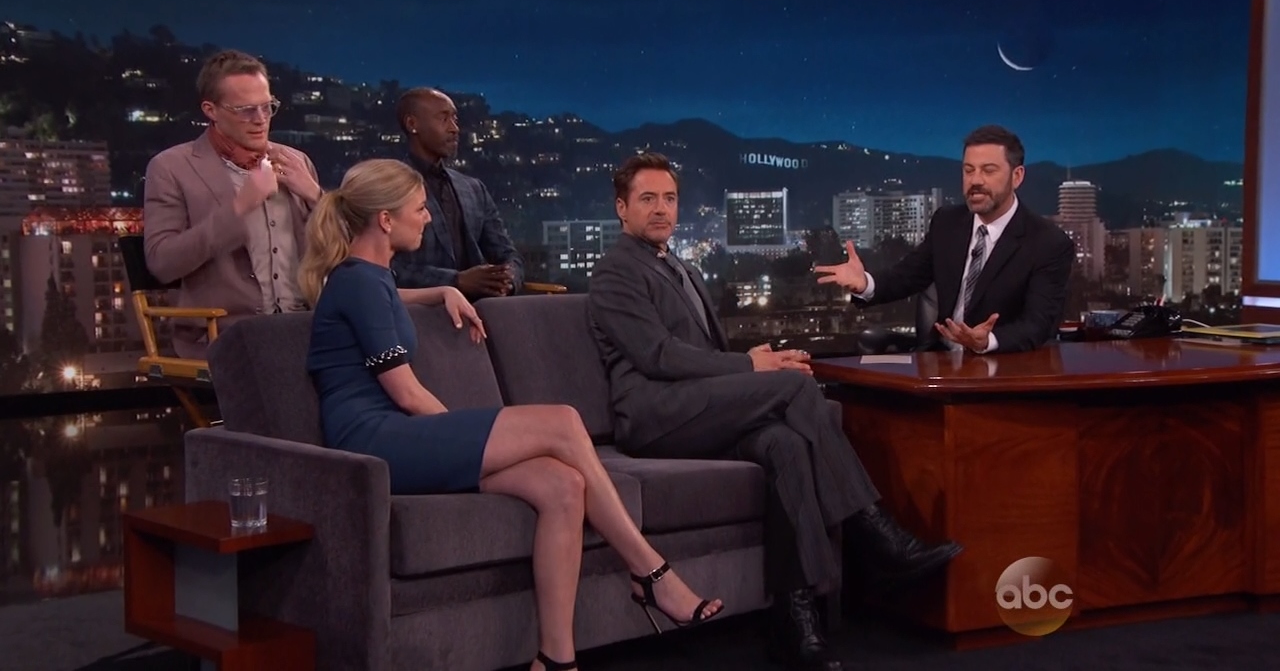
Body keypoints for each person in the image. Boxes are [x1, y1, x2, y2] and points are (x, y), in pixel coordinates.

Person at [298, 158, 723, 671]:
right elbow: (407, 394)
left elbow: (387, 299)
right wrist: (460, 435)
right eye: (419, 209)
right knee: (563, 423)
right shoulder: (359, 283)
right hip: (373, 442)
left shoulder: (369, 277)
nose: (427, 218)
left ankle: (556, 658)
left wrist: (445, 289)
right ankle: (650, 571)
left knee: (563, 485)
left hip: (394, 433)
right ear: (386, 220)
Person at [587, 152, 962, 671]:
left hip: (697, 408)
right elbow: (658, 356)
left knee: (784, 444)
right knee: (793, 388)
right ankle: (876, 536)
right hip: (653, 415)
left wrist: (749, 362)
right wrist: (750, 366)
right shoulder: (616, 271)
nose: (660, 209)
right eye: (647, 199)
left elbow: (699, 353)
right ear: (621, 208)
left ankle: (794, 622)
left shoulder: (681, 267)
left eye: (669, 198)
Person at [815, 125, 1075, 354]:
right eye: (968, 170)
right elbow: (906, 276)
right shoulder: (948, 223)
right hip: (939, 360)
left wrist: (987, 341)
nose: (975, 181)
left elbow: (1038, 324)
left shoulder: (1047, 243)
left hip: (1001, 366)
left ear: (1016, 176)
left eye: (988, 171)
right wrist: (865, 284)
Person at [142, 49, 324, 358]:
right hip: (226, 335)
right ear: (211, 110)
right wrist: (240, 206)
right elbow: (163, 263)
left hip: (305, 328)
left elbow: (345, 248)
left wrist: (316, 195)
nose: (261, 120)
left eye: (267, 107)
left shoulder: (296, 162)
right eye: (246, 110)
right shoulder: (171, 168)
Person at [389, 87, 525, 301]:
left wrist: (505, 281)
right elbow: (383, 267)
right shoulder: (389, 186)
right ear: (412, 124)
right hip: (417, 312)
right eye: (443, 119)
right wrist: (455, 281)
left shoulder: (473, 189)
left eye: (455, 119)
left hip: (480, 311)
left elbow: (508, 254)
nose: (454, 129)